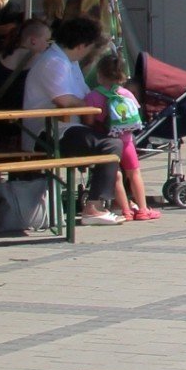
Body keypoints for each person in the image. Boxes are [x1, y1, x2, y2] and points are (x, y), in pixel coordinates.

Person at [26, 15, 124, 226]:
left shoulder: (67, 61)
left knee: (117, 138)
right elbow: (64, 100)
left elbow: (83, 94)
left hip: (65, 127)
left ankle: (115, 201)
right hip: (48, 133)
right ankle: (94, 207)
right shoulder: (54, 62)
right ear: (82, 45)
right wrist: (97, 106)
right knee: (111, 144)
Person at [88, 52, 160, 221]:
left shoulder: (93, 96)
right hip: (127, 142)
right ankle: (143, 209)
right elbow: (136, 115)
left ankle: (125, 210)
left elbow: (89, 121)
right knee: (134, 174)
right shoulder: (126, 94)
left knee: (116, 175)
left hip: (108, 141)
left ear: (99, 74)